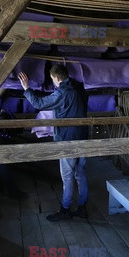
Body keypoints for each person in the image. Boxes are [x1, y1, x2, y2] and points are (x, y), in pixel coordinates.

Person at [19, 65, 89, 221]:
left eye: (52, 80)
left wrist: (27, 88)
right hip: (83, 138)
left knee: (67, 177)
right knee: (80, 173)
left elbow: (39, 104)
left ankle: (65, 209)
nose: (53, 83)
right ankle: (82, 207)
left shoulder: (62, 93)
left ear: (56, 78)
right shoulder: (80, 90)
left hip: (67, 140)